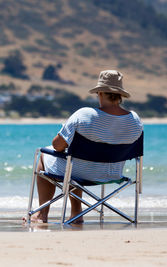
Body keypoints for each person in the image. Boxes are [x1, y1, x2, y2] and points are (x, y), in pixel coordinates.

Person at [31, 70, 143, 223]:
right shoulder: (135, 120)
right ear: (120, 95)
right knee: (75, 161)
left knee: (44, 155)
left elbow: (57, 146)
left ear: (100, 93)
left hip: (80, 172)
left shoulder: (84, 115)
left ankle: (42, 215)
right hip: (113, 174)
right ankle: (76, 213)